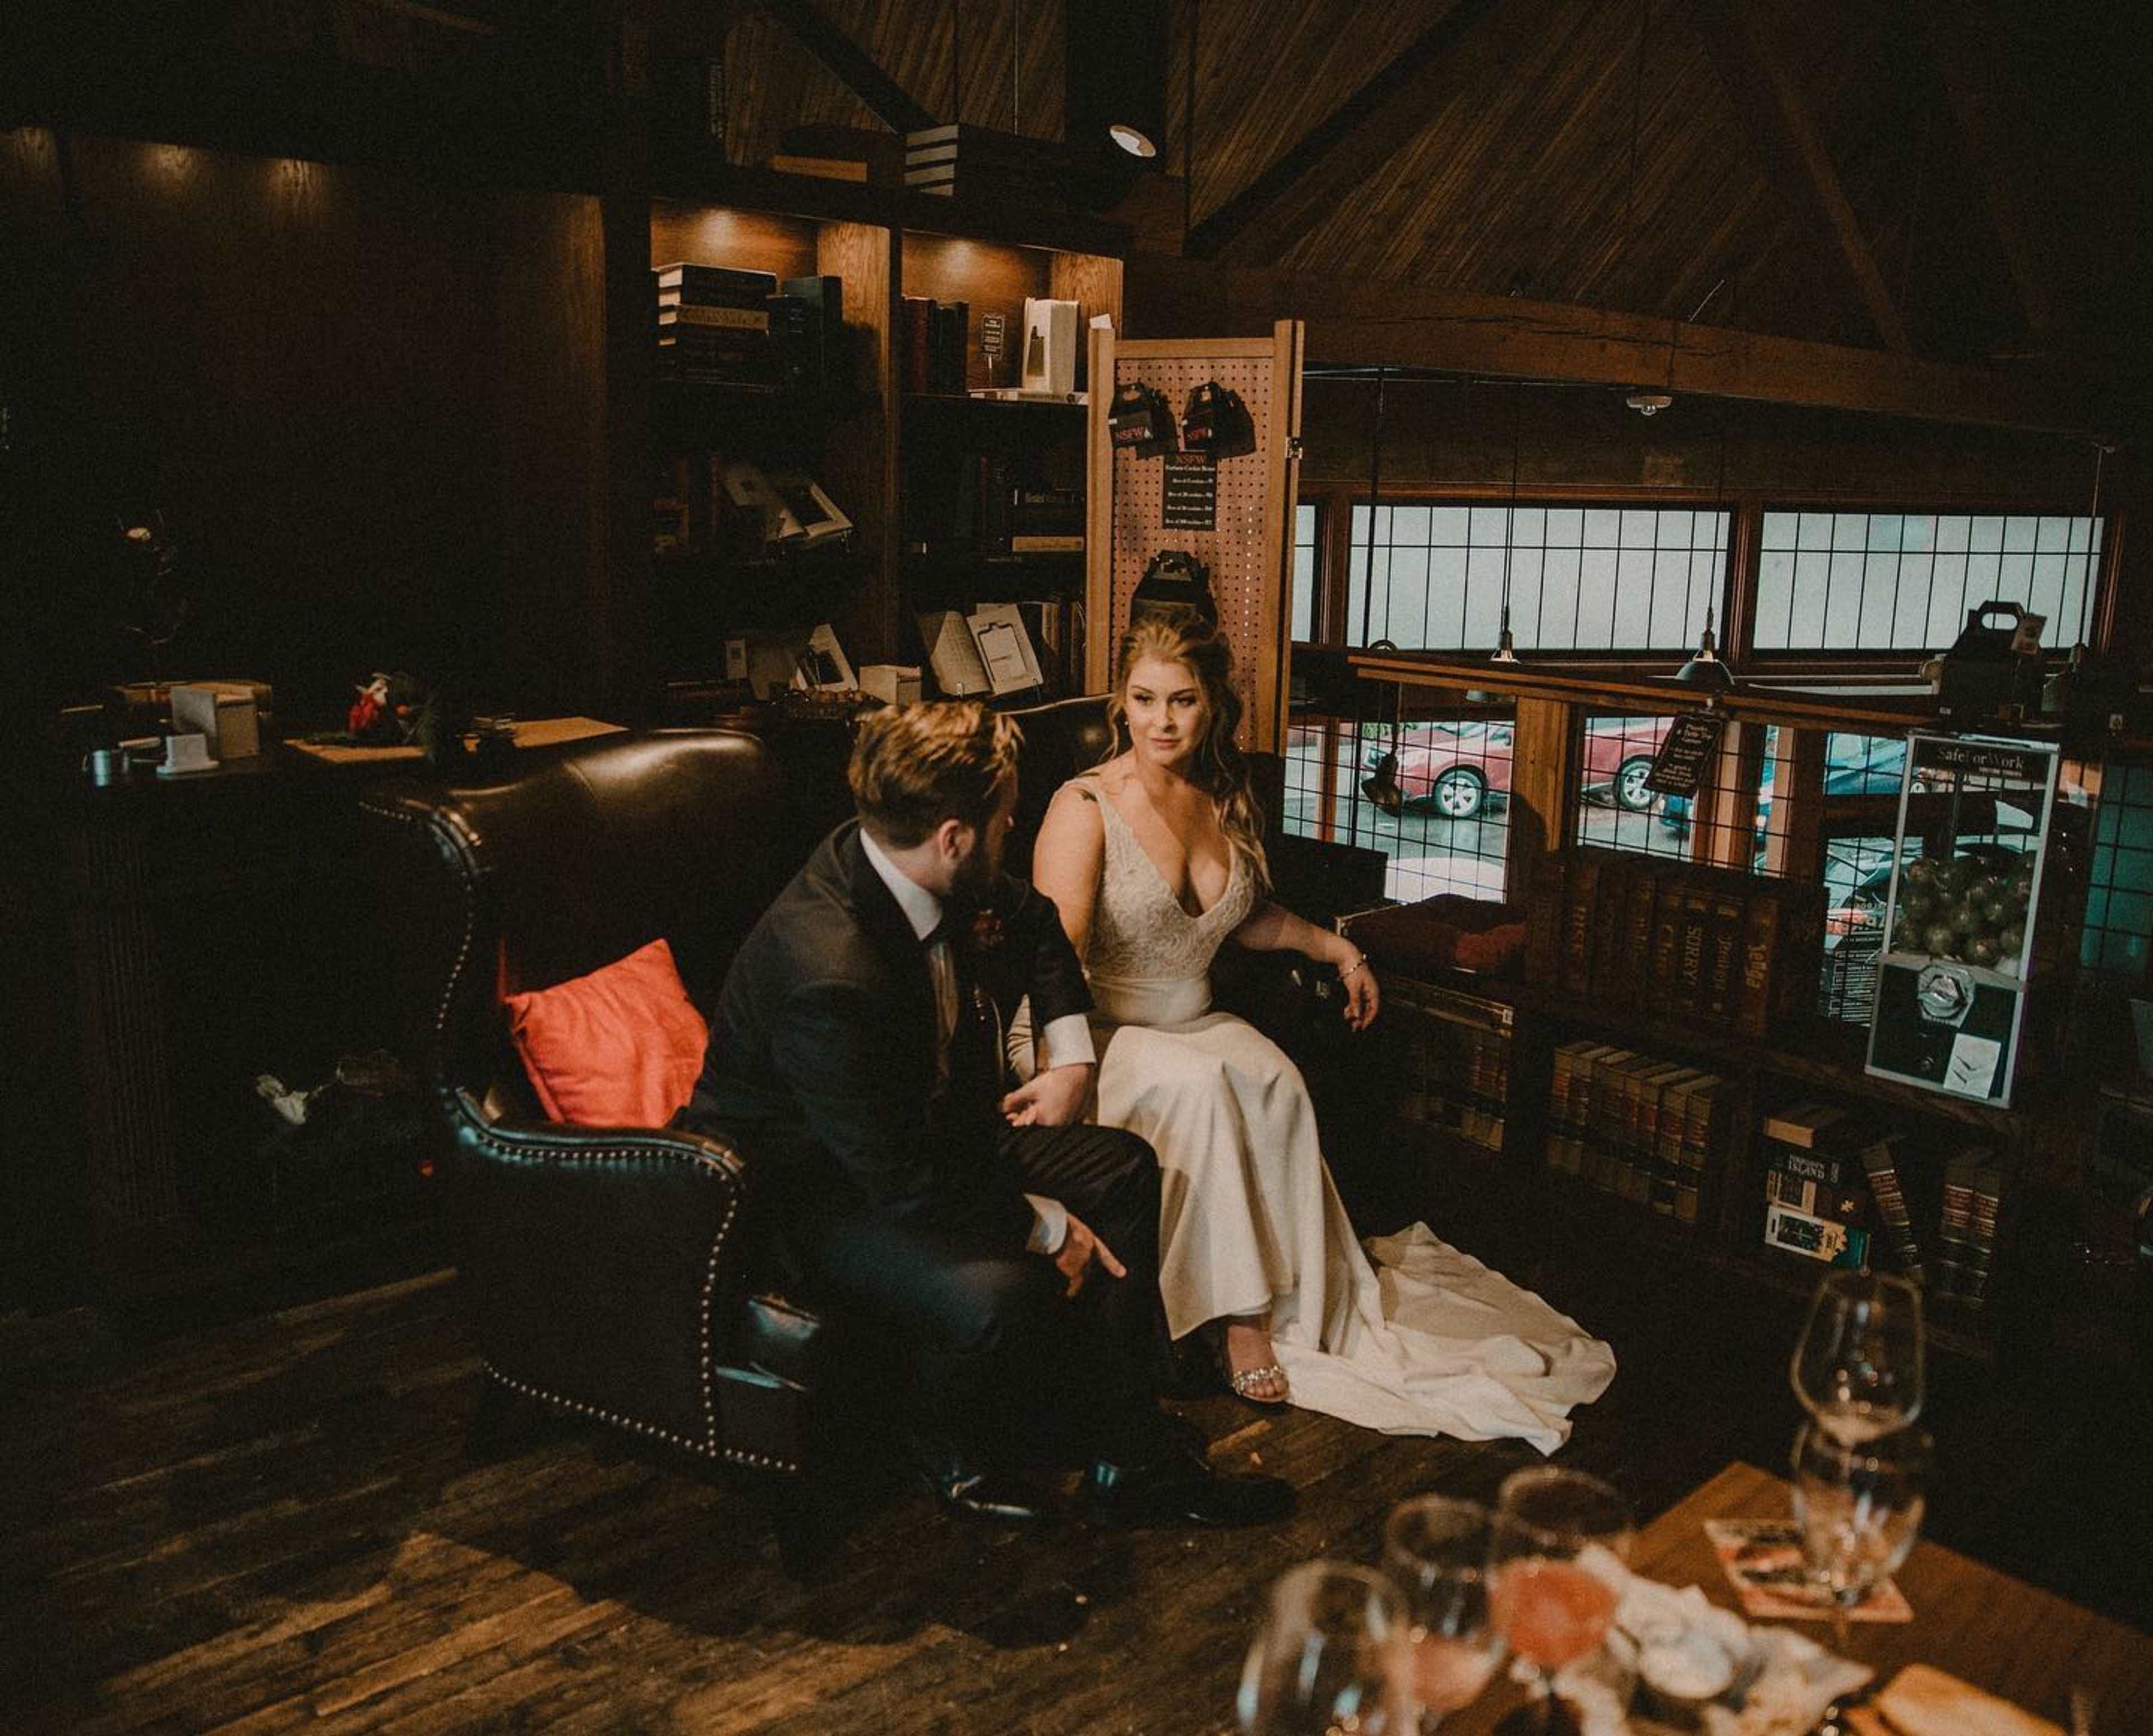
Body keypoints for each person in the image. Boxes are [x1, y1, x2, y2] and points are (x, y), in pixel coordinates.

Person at [680, 700, 1292, 1526]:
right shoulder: (830, 971)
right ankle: (951, 1450)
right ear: (953, 838)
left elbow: (1039, 923)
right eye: (1004, 816)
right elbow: (898, 1181)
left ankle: (1125, 1452)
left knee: (1122, 1167)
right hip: (815, 1195)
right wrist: (1043, 1225)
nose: (1012, 826)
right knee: (1007, 1287)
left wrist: (1069, 1056)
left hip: (925, 1143)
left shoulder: (908, 860)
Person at [1028, 607, 1616, 1449]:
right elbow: (1054, 958)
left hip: (1192, 1014)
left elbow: (1245, 916)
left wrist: (1339, 949)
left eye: (1183, 701)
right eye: (1145, 699)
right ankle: (1236, 1321)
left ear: (1211, 704)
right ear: (1121, 702)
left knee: (1273, 1076)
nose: (1162, 722)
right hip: (1094, 1029)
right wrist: (1063, 1069)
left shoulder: (1221, 797)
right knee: (1203, 1086)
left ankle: (1298, 1303)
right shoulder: (1084, 806)